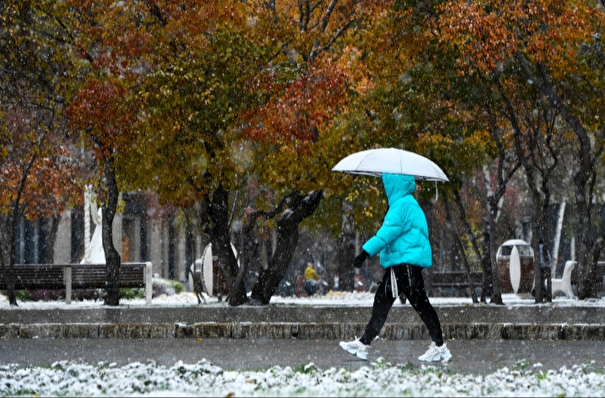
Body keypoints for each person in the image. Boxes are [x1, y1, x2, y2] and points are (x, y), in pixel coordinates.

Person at [339, 173, 451, 362]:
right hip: (400, 264)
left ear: (393, 184)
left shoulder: (401, 206)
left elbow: (386, 234)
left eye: (387, 184)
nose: (385, 188)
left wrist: (365, 253)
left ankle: (439, 346)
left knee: (420, 303)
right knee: (382, 301)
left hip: (404, 265)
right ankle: (364, 344)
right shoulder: (407, 204)